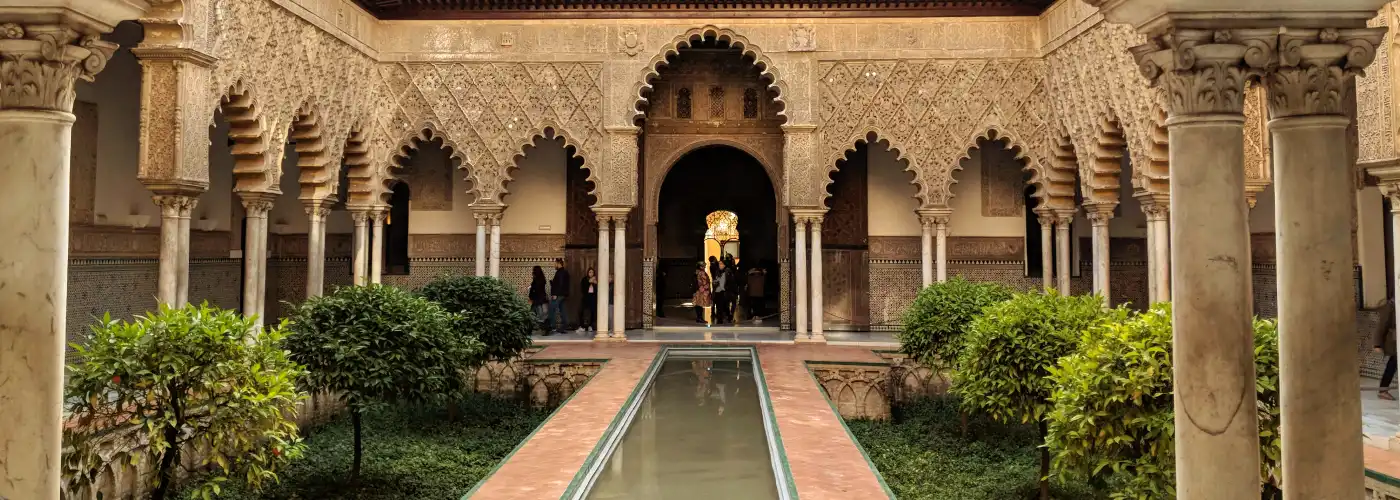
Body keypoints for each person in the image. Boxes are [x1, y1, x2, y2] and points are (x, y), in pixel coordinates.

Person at [1375, 298, 1397, 400]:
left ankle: (1383, 390)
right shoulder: (1391, 305)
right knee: (1393, 364)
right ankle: (1383, 390)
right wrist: (1377, 344)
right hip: (1394, 341)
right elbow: (1382, 325)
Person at [548, 258, 570, 334]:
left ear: (558, 263)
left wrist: (555, 294)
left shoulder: (560, 272)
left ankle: (552, 326)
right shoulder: (564, 272)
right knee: (562, 310)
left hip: (558, 295)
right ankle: (563, 327)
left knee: (551, 309)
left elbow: (560, 285)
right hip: (563, 295)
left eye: (555, 263)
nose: (554, 265)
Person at [528, 266, 548, 335]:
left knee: (536, 315)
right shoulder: (542, 279)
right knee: (539, 315)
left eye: (533, 271)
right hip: (541, 300)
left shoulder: (536, 281)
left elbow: (534, 290)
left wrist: (531, 297)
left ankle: (530, 329)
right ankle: (544, 329)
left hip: (537, 301)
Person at [578, 267, 597, 333]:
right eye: (590, 272)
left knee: (592, 312)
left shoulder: (596, 280)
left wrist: (595, 283)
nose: (591, 273)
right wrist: (589, 282)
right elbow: (583, 288)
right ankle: (582, 326)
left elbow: (597, 290)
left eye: (592, 272)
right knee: (582, 311)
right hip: (586, 297)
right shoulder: (584, 279)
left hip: (593, 298)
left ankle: (590, 326)